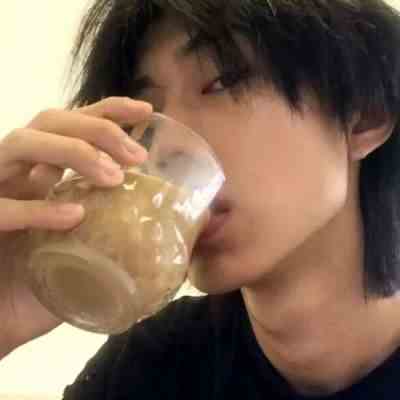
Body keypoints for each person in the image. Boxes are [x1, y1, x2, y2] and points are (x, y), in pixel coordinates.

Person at [2, 0, 400, 398]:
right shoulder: (150, 365)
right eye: (148, 114)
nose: (165, 149)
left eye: (223, 81)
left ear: (366, 113)